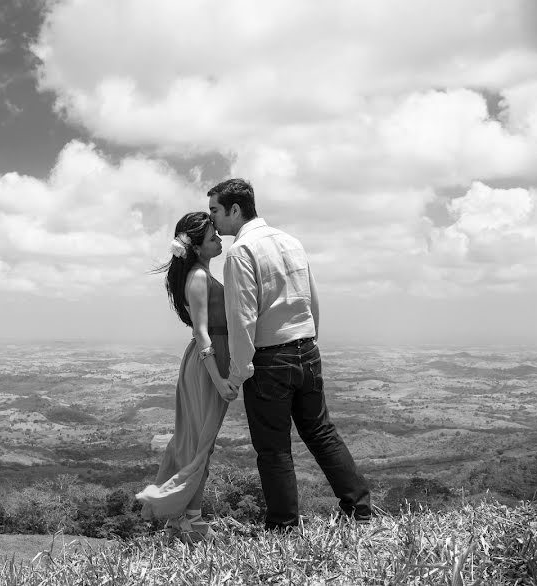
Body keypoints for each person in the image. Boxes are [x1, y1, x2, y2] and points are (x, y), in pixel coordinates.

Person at [208, 178, 372, 531]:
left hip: (270, 360)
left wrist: (238, 372)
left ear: (235, 210)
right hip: (306, 348)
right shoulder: (291, 241)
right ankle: (359, 509)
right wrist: (310, 343)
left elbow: (242, 319)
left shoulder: (240, 252)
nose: (214, 222)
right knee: (321, 432)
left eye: (216, 212)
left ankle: (283, 526)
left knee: (273, 448)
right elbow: (312, 298)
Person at [136, 211, 238, 543]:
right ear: (195, 247)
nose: (220, 240)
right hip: (208, 366)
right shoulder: (197, 278)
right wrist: (220, 381)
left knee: (197, 444)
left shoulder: (200, 273)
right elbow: (203, 334)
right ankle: (189, 520)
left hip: (210, 363)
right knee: (199, 445)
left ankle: (184, 518)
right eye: (213, 238)